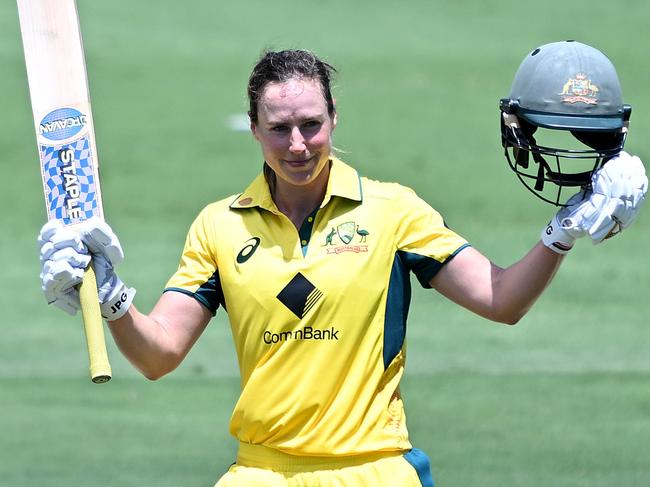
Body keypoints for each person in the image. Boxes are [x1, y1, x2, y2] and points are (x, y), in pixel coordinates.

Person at [38, 44, 646, 487]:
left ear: (334, 120)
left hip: (373, 470)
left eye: (312, 125)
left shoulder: (393, 211)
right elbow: (158, 355)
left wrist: (562, 230)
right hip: (262, 472)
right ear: (253, 129)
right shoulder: (218, 226)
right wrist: (113, 296)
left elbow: (502, 301)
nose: (298, 144)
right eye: (280, 129)